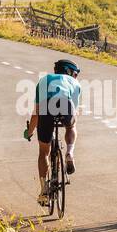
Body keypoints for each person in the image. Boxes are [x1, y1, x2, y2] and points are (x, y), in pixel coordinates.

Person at [24, 58, 81, 205]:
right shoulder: (74, 83)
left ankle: (44, 190)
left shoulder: (44, 80)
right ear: (70, 72)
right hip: (66, 104)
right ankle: (69, 152)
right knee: (71, 125)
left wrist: (29, 132)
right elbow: (74, 112)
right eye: (75, 74)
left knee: (44, 152)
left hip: (45, 106)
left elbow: (36, 114)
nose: (75, 77)